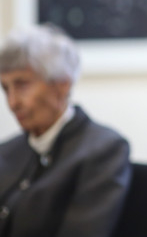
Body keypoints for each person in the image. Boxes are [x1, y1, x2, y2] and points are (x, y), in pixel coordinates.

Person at [0, 24, 131, 237]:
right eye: (5, 88)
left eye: (22, 85)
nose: (12, 103)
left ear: (62, 85)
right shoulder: (6, 152)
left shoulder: (103, 150)